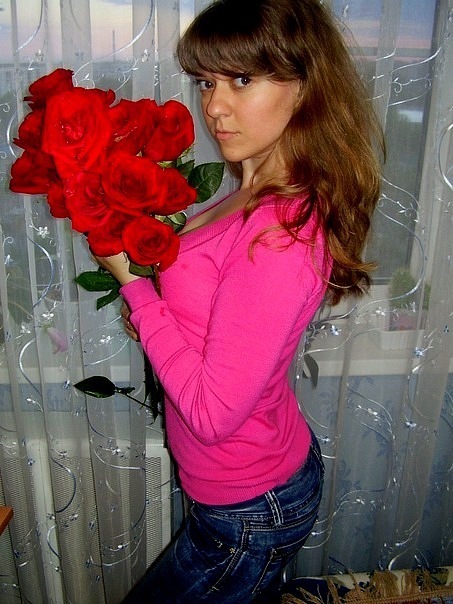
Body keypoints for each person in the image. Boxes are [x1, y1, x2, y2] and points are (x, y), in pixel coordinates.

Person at [94, 0, 383, 601]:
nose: (214, 107)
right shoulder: (245, 193)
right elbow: (220, 328)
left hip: (247, 508)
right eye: (207, 81)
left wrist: (135, 287)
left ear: (305, 86)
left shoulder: (279, 233)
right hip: (249, 480)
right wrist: (160, 310)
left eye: (242, 80)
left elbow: (211, 414)